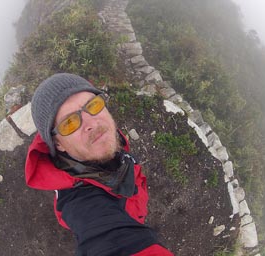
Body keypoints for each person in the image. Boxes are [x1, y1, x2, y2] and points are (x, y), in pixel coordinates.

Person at [25, 73, 173, 256]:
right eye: (69, 123)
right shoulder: (79, 202)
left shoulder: (104, 143)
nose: (92, 123)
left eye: (93, 105)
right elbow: (107, 239)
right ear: (58, 144)